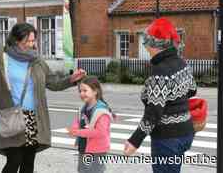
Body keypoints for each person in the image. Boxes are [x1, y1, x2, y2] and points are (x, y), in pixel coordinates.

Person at [0, 23, 86, 173]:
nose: (31, 45)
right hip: (11, 116)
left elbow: (53, 82)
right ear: (16, 40)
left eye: (33, 41)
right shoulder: (0, 60)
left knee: (28, 161)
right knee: (14, 160)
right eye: (27, 41)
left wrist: (71, 79)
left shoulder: (36, 60)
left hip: (32, 117)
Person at [123, 18, 197, 173]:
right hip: (186, 132)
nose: (146, 47)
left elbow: (153, 113)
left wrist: (134, 141)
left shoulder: (160, 71)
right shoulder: (182, 63)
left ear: (154, 45)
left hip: (167, 138)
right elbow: (192, 90)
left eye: (146, 43)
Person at [68, 76, 113, 173]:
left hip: (97, 150)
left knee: (94, 171)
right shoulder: (84, 107)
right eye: (80, 91)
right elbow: (79, 121)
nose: (82, 94)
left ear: (95, 91)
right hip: (84, 147)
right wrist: (74, 128)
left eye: (85, 90)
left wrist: (79, 132)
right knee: (82, 170)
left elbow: (100, 132)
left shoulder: (101, 110)